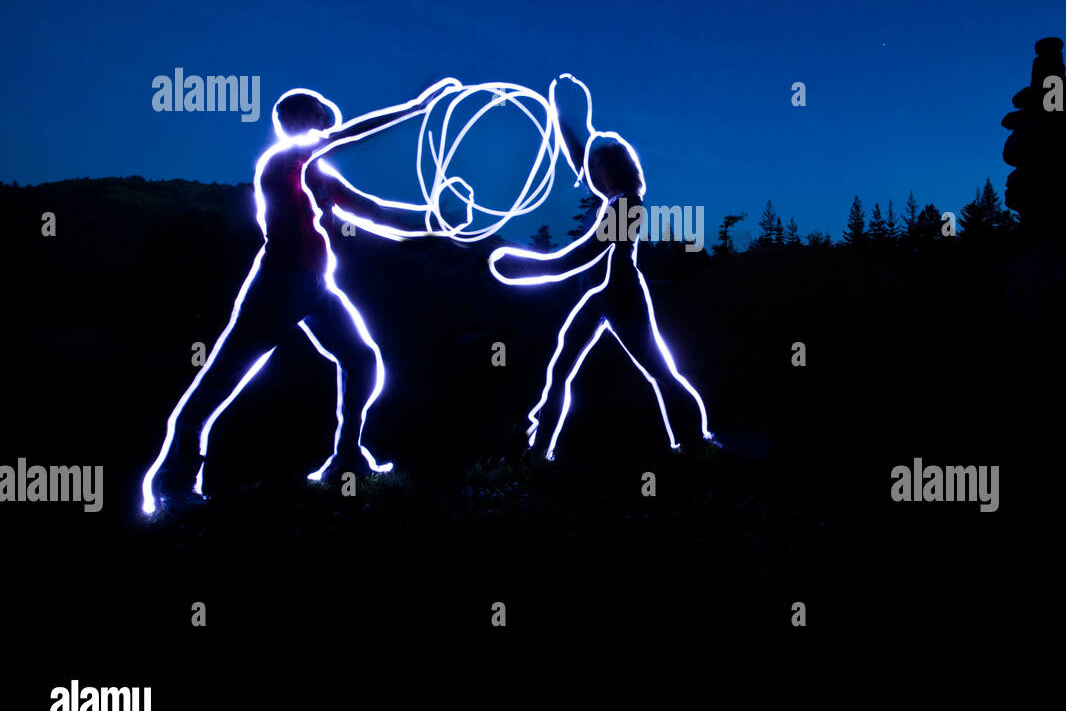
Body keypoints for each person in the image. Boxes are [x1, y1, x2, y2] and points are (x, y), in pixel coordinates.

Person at [141, 79, 458, 513]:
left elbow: (376, 213)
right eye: (315, 115)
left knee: (362, 358)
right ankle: (173, 487)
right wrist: (417, 107)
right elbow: (347, 136)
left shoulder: (319, 174)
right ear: (294, 122)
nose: (324, 121)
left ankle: (346, 459)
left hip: (316, 287)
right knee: (220, 382)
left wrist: (437, 220)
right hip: (277, 284)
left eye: (323, 116)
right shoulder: (281, 161)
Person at [488, 87, 716, 461]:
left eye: (602, 167)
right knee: (560, 370)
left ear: (618, 170)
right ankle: (538, 450)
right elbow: (578, 158)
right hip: (598, 297)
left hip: (622, 296)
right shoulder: (608, 199)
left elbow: (583, 254)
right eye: (594, 168)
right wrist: (557, 116)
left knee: (658, 370)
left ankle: (694, 441)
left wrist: (524, 266)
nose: (594, 173)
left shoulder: (629, 205)